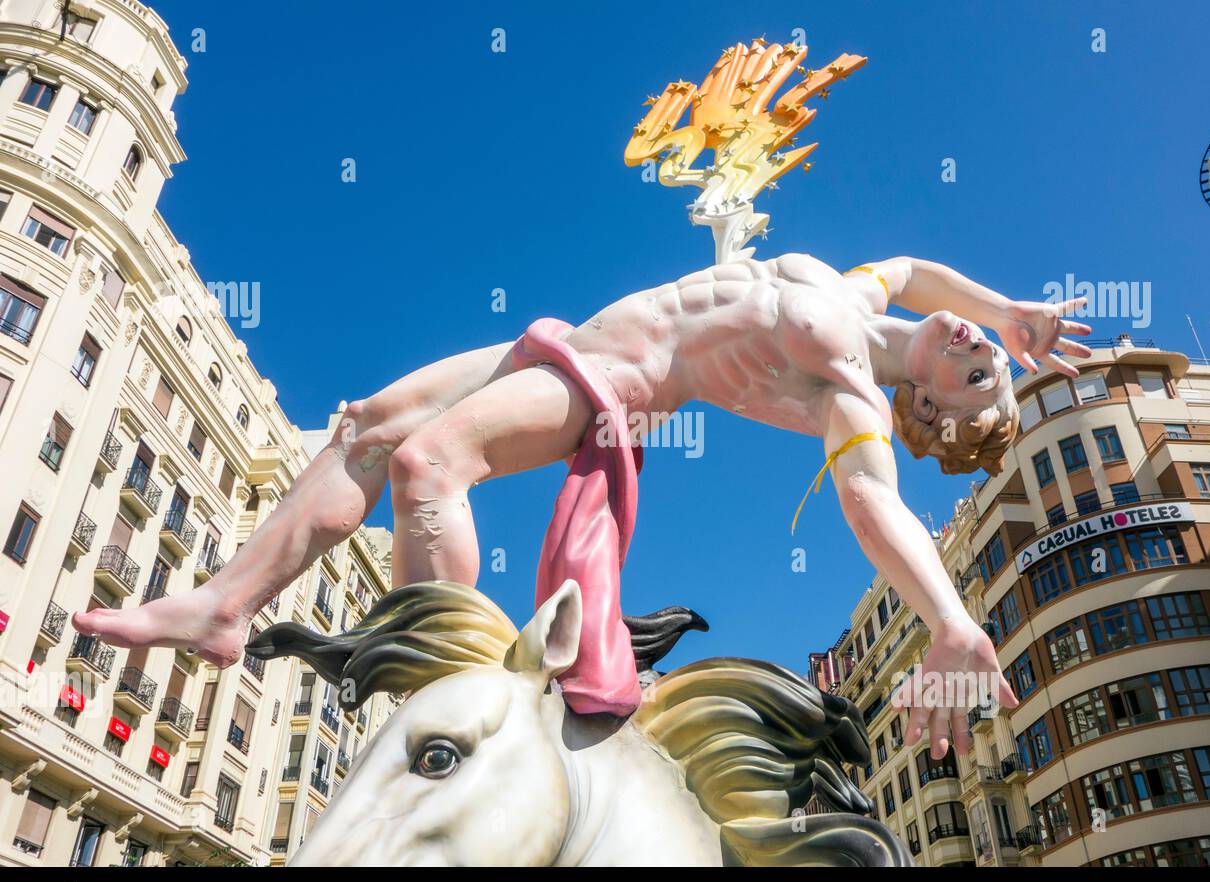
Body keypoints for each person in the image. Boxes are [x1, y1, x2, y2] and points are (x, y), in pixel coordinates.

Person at [74, 253, 1089, 754]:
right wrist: (1010, 309)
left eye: (980, 377)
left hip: (613, 385)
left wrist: (952, 622)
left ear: (924, 404)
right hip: (564, 339)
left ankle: (444, 699)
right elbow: (916, 266)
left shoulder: (849, 395)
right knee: (372, 424)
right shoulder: (864, 294)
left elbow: (873, 504)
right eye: (986, 350)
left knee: (429, 465)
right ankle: (225, 603)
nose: (981, 353)